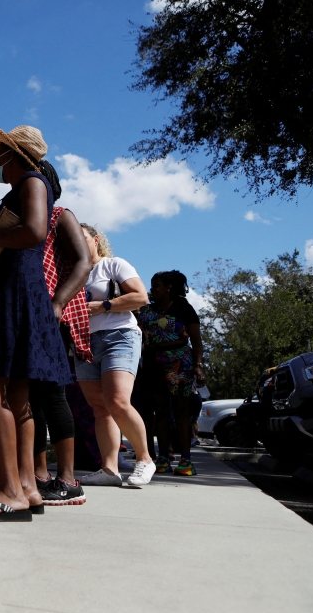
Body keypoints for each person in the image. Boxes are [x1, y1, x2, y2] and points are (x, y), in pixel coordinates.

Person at [0, 125, 73, 522]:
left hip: (16, 298)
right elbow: (2, 255)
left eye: (0, 152)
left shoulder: (32, 182)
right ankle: (27, 488)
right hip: (13, 290)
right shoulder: (15, 192)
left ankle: (9, 489)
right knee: (17, 398)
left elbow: (35, 232)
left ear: (16, 155)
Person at [29, 160, 93, 506]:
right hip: (25, 317)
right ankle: (39, 474)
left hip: (52, 318)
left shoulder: (59, 216)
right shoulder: (24, 221)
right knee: (30, 399)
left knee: (53, 396)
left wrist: (57, 304)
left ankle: (68, 479)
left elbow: (83, 262)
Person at [76, 225, 156, 487]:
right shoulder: (71, 273)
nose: (75, 241)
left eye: (81, 236)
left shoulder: (112, 265)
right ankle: (109, 469)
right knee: (100, 408)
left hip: (119, 336)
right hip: (83, 343)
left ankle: (144, 459)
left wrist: (104, 306)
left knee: (117, 401)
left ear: (95, 240)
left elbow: (141, 297)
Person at [139, 270, 205, 476]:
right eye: (152, 285)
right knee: (160, 413)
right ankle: (163, 459)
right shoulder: (147, 311)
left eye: (156, 285)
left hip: (179, 366)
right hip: (152, 366)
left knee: (181, 413)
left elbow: (195, 339)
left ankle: (186, 461)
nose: (153, 289)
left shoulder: (183, 308)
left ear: (169, 287)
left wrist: (198, 365)